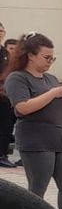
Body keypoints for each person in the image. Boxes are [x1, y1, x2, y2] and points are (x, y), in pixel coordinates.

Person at [3, 33, 62, 209]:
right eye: (46, 58)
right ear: (30, 55)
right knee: (37, 189)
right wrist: (52, 93)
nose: (50, 62)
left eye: (53, 58)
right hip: (36, 142)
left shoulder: (51, 78)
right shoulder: (17, 78)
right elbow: (23, 107)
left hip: (60, 140)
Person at [0, 35, 17, 168]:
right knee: (4, 127)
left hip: (11, 99)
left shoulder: (17, 65)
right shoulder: (3, 61)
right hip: (3, 99)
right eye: (11, 48)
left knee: (9, 127)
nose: (13, 51)